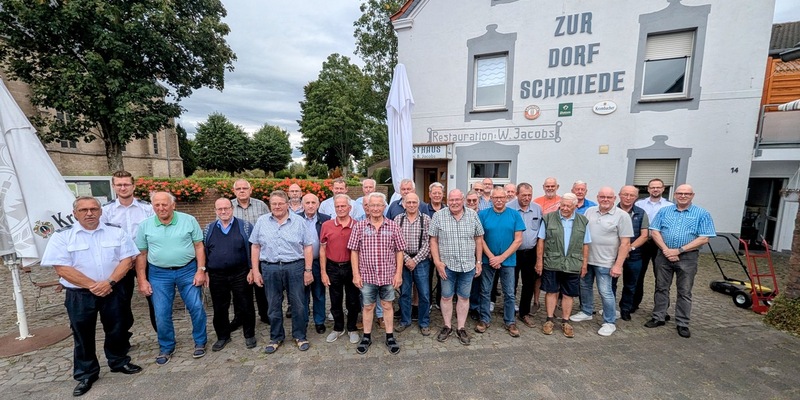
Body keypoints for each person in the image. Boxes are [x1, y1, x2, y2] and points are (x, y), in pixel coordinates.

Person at [42, 197, 141, 397]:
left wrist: (109, 282)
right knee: (82, 334)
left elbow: (127, 259)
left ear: (100, 211)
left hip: (112, 290)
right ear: (75, 213)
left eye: (94, 209)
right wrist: (92, 286)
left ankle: (118, 361)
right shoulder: (63, 236)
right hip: (80, 294)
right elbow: (61, 268)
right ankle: (86, 373)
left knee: (117, 328)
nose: (89, 213)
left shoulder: (116, 231)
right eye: (84, 209)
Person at [135, 192, 208, 365]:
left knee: (196, 307)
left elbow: (199, 246)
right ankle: (166, 346)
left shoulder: (189, 220)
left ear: (173, 205)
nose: (161, 208)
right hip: (158, 274)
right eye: (157, 205)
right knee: (161, 312)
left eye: (165, 204)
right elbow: (141, 254)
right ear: (153, 207)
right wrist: (142, 280)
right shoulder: (145, 226)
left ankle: (200, 341)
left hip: (187, 270)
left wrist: (201, 270)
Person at [645, 184, 715, 338]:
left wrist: (679, 250)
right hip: (663, 255)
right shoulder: (664, 211)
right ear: (675, 195)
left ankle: (682, 323)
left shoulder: (702, 213)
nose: (683, 196)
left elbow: (704, 238)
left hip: (688, 257)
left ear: (692, 195)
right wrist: (666, 250)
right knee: (661, 287)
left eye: (687, 194)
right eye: (680, 193)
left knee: (684, 291)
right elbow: (655, 231)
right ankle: (659, 317)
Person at [250, 190, 315, 353]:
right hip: (269, 267)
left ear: (287, 204)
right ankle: (276, 337)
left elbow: (308, 246)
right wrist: (256, 271)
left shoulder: (299, 221)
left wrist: (308, 270)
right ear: (270, 205)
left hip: (295, 267)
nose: (277, 206)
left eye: (280, 203)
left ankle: (300, 335)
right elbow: (255, 246)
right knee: (273, 305)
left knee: (298, 304)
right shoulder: (262, 221)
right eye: (274, 204)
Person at [348, 192, 405, 355]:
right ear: (367, 207)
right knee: (368, 307)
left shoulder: (393, 226)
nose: (375, 208)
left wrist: (398, 273)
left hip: (388, 275)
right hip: (367, 276)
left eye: (378, 205)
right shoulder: (359, 226)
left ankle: (389, 336)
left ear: (384, 207)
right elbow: (354, 251)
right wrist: (356, 274)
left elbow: (399, 251)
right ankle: (366, 336)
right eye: (371, 205)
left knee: (387, 305)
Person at [570, 187, 632, 337]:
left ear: (614, 199)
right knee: (584, 286)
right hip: (587, 259)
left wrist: (618, 265)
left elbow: (625, 243)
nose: (605, 200)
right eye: (602, 197)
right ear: (597, 198)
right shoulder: (589, 211)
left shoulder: (622, 216)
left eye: (608, 197)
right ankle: (586, 311)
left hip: (606, 261)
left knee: (605, 291)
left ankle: (609, 321)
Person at [100, 170, 156, 333]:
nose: (123, 188)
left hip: (145, 260)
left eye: (126, 184)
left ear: (133, 186)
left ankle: (163, 337)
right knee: (119, 304)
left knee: (155, 300)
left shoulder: (147, 209)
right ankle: (122, 339)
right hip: (119, 263)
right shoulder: (106, 211)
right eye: (119, 185)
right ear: (114, 186)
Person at [429, 189, 484, 345]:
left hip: (468, 265)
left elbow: (479, 239)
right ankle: (447, 326)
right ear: (448, 200)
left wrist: (478, 261)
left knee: (464, 297)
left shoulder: (473, 215)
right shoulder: (439, 216)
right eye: (451, 200)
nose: (454, 202)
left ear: (463, 200)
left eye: (457, 200)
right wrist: (437, 262)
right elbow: (433, 240)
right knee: (446, 296)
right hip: (447, 266)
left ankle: (461, 327)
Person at [203, 198, 257, 352]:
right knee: (220, 307)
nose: (223, 211)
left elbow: (254, 248)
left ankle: (249, 334)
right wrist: (205, 270)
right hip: (217, 275)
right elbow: (204, 252)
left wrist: (253, 269)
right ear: (215, 211)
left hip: (241, 273)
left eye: (226, 208)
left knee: (246, 304)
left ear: (232, 208)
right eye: (219, 209)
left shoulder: (245, 227)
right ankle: (223, 336)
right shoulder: (208, 229)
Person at [535, 193, 591, 338]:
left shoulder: (583, 221)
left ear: (575, 206)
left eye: (568, 206)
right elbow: (541, 240)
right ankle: (549, 320)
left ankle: (566, 321)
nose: (565, 208)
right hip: (552, 261)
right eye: (563, 205)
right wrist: (539, 261)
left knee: (568, 293)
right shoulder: (548, 218)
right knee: (551, 291)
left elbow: (585, 244)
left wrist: (584, 264)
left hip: (573, 262)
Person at [476, 187, 525, 337]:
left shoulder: (515, 215)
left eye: (501, 197)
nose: (498, 200)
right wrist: (491, 257)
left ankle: (510, 321)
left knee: (509, 292)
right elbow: (479, 238)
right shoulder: (482, 215)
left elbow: (518, 240)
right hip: (487, 259)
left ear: (506, 198)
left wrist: (501, 258)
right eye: (495, 197)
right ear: (490, 198)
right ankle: (484, 319)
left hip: (508, 260)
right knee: (485, 291)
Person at [320, 194, 361, 345]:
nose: (340, 209)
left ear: (349, 208)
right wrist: (323, 272)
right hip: (333, 267)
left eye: (343, 206)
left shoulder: (357, 225)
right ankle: (338, 328)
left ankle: (352, 328)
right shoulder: (327, 225)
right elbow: (323, 250)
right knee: (335, 300)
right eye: (338, 206)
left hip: (351, 267)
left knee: (353, 300)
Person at [230, 179, 270, 327]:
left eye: (244, 188)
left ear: (250, 190)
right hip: (238, 253)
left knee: (261, 285)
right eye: (238, 188)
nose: (242, 191)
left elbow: (270, 224)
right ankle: (239, 316)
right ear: (234, 191)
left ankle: (265, 314)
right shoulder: (229, 207)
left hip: (259, 250)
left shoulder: (261, 205)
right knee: (239, 288)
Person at [633, 178, 673, 314]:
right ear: (648, 189)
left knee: (661, 277)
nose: (655, 189)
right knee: (638, 275)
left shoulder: (669, 206)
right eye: (652, 187)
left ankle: (662, 309)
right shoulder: (640, 204)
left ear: (663, 189)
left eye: (658, 187)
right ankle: (634, 303)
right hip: (643, 243)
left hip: (661, 244)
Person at [394, 192, 432, 336]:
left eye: (414, 202)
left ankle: (424, 322)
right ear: (404, 204)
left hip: (421, 261)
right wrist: (405, 259)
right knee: (404, 293)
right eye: (408, 202)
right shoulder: (398, 219)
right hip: (402, 260)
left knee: (424, 293)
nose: (411, 205)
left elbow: (428, 243)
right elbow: (395, 243)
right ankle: (405, 320)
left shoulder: (426, 220)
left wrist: (414, 260)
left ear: (418, 204)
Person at [509, 182, 544, 328]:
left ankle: (524, 312)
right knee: (511, 284)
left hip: (530, 253)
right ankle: (509, 312)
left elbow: (541, 235)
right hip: (512, 253)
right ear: (517, 194)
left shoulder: (537, 209)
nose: (527, 198)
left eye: (529, 195)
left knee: (528, 284)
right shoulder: (509, 208)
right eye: (524, 195)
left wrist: (539, 259)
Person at [615, 185, 650, 321]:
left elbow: (644, 235)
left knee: (631, 284)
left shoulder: (641, 213)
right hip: (614, 254)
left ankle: (626, 309)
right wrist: (620, 249)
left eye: (632, 195)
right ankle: (610, 309)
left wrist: (629, 248)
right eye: (625, 194)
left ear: (636, 198)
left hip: (634, 255)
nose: (628, 198)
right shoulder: (612, 211)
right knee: (611, 283)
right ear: (619, 195)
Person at [298, 193, 331, 334]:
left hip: (319, 261)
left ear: (318, 204)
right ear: (302, 205)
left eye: (313, 202)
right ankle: (303, 321)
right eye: (307, 203)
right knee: (302, 294)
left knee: (319, 293)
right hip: (300, 262)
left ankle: (319, 321)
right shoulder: (295, 219)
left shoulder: (326, 219)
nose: (310, 205)